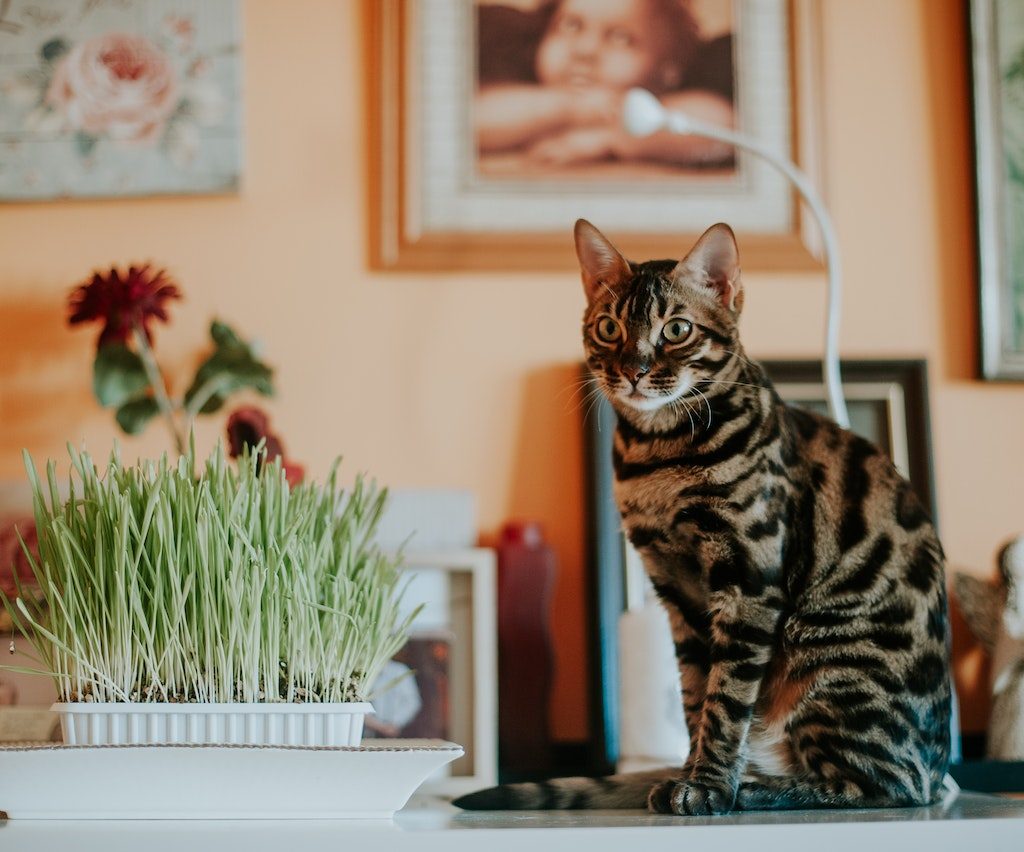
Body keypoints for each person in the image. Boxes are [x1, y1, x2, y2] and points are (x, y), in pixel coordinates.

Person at [475, 0, 735, 170]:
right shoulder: (518, 92)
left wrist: (608, 138)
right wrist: (573, 107)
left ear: (667, 72)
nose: (585, 50)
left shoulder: (664, 103)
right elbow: (467, 122)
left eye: (621, 38)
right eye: (570, 25)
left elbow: (720, 126)